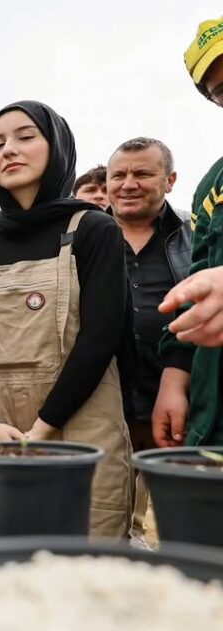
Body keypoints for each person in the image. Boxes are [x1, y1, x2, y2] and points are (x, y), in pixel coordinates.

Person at [0, 101, 133, 538]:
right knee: (3, 567)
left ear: (58, 147)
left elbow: (101, 337)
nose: (8, 150)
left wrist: (43, 427)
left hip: (81, 426)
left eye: (25, 137)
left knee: (86, 564)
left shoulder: (94, 230)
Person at [106, 137, 191, 536]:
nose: (128, 183)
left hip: (175, 397)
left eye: (142, 173)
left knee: (180, 512)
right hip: (106, 398)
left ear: (169, 180)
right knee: (107, 510)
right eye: (118, 175)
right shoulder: (85, 240)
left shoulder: (195, 238)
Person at [156, 16, 223, 447]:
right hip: (212, 418)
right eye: (222, 92)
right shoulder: (211, 187)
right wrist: (175, 375)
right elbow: (195, 284)